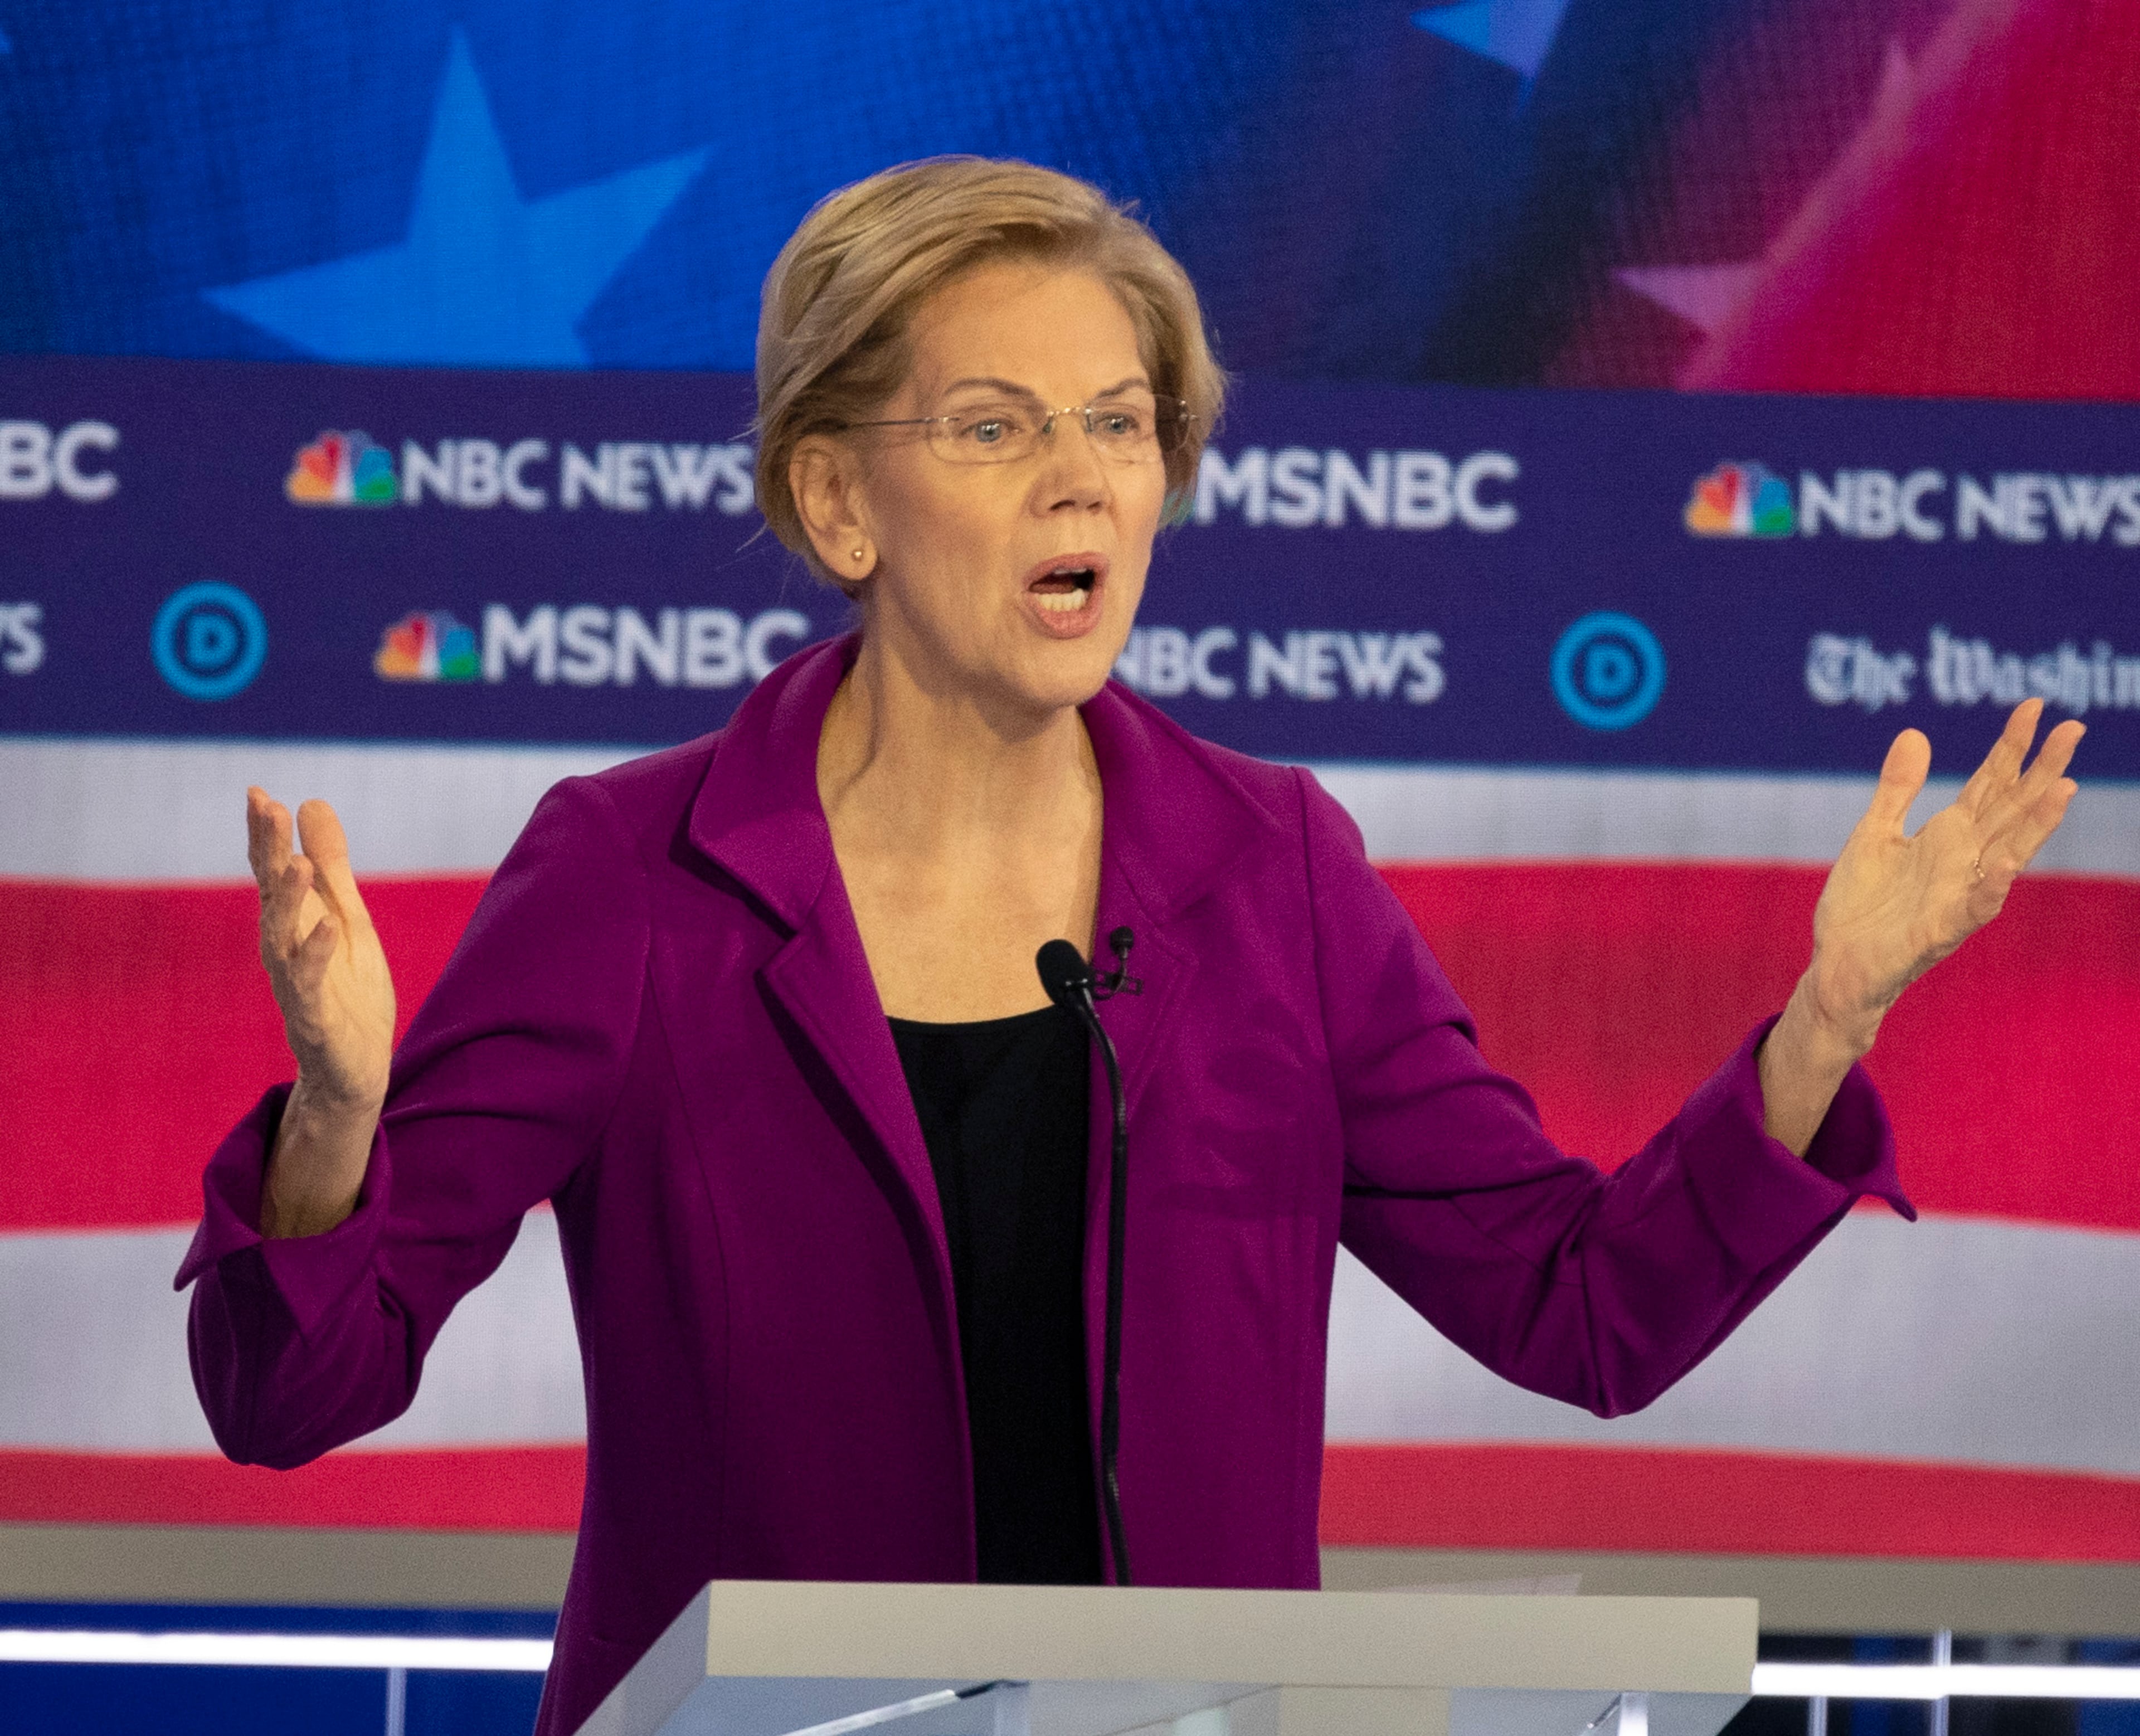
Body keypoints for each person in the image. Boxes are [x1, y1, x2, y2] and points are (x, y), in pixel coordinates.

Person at [177, 158, 2083, 1736]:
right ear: (839, 498)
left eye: (1121, 424)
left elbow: (1579, 1309)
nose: (1085, 478)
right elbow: (288, 1399)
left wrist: (1824, 1027)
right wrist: (339, 1115)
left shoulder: (1276, 875)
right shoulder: (634, 875)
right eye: (998, 428)